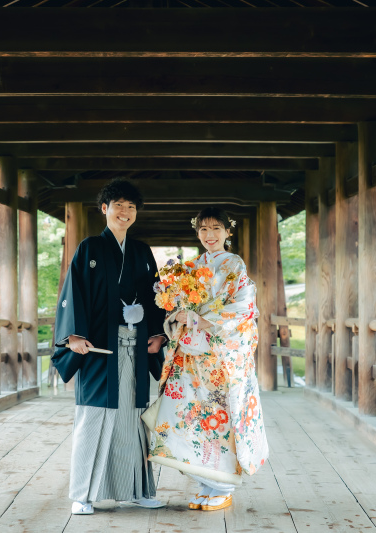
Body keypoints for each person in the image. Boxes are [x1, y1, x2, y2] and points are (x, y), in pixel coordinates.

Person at [51, 178, 168, 515]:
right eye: (118, 205)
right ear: (104, 209)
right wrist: (72, 335)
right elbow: (73, 292)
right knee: (94, 417)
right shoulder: (89, 248)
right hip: (99, 348)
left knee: (133, 418)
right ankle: (82, 494)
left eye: (131, 207)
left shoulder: (143, 252)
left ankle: (137, 490)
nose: (125, 212)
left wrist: (158, 333)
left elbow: (156, 297)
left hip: (134, 345)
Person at [148, 207, 269, 512]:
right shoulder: (192, 266)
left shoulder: (234, 265)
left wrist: (205, 321)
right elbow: (177, 306)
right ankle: (205, 483)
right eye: (203, 230)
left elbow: (243, 308)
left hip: (220, 356)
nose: (209, 235)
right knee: (196, 418)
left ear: (229, 232)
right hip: (193, 357)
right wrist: (176, 310)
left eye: (216, 228)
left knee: (221, 416)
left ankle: (224, 485)